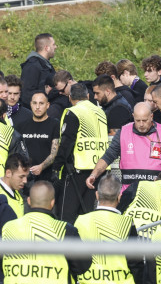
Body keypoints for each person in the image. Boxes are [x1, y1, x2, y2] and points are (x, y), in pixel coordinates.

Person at [86, 101, 161, 191]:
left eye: (144, 120)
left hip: (157, 191)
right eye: (137, 120)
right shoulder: (124, 132)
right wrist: (93, 175)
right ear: (133, 117)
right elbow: (108, 156)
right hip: (130, 192)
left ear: (151, 117)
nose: (141, 124)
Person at [1, 180, 91, 283]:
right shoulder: (66, 230)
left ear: (29, 201)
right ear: (52, 203)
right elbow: (82, 266)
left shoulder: (8, 227)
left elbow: (0, 262)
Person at [74, 174, 143, 284]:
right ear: (119, 197)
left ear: (97, 195)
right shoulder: (127, 224)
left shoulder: (80, 221)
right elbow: (136, 265)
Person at [54, 84, 108, 223]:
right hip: (98, 170)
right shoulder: (100, 112)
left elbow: (66, 142)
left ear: (70, 97)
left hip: (77, 169)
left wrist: (57, 166)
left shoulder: (74, 112)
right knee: (87, 214)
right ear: (88, 96)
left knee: (66, 215)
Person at [17, 91, 60, 183]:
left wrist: (41, 166)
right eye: (34, 103)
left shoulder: (55, 125)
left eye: (41, 103)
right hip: (25, 179)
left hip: (47, 178)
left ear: (47, 105)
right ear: (30, 104)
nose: (37, 107)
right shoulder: (21, 126)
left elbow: (54, 153)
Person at [20, 32, 57, 106]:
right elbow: (26, 95)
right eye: (53, 44)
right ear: (47, 48)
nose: (55, 47)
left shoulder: (46, 65)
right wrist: (44, 92)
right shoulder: (32, 66)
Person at [0, 153, 30, 218]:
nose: (25, 181)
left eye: (26, 176)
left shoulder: (17, 194)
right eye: (21, 176)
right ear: (8, 173)